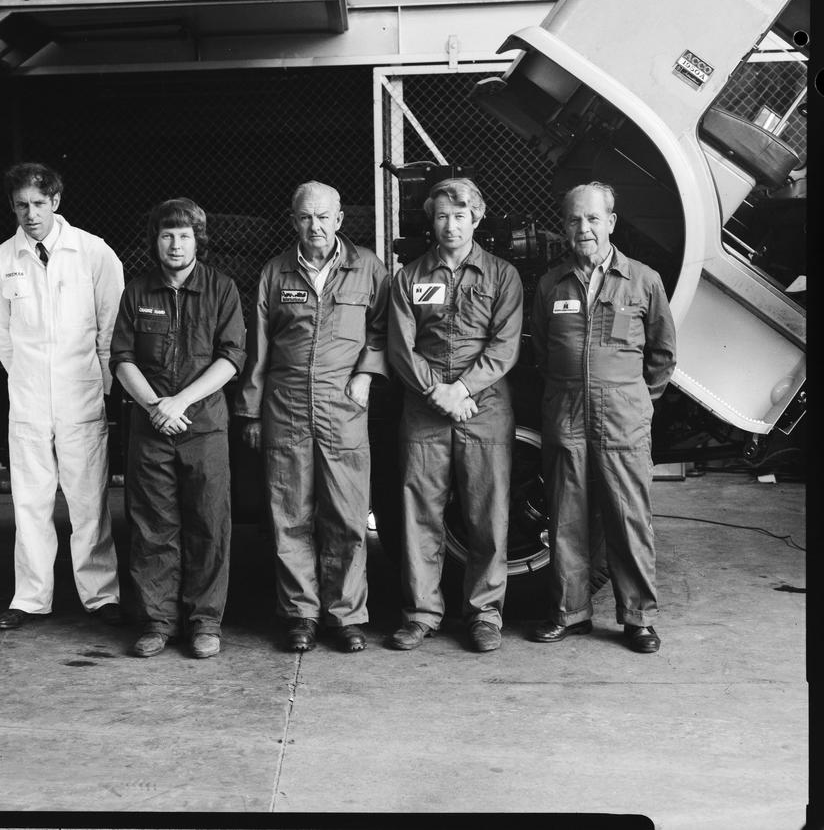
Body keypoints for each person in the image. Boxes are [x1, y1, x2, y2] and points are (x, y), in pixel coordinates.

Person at [235, 181, 389, 653]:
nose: (315, 226)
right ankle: (300, 614)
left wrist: (366, 374)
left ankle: (346, 616)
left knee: (347, 514)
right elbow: (259, 346)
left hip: (342, 404)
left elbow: (384, 328)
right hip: (286, 405)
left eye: (323, 217)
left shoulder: (368, 268)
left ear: (339, 219)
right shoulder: (275, 272)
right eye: (305, 217)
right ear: (293, 221)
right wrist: (252, 411)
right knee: (290, 515)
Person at [529, 182, 676, 653]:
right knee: (566, 518)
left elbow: (662, 354)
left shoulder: (643, 280)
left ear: (611, 222)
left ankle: (638, 619)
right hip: (567, 414)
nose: (584, 228)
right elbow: (541, 350)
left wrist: (637, 402)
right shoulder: (551, 284)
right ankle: (570, 613)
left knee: (629, 517)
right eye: (574, 219)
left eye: (593, 218)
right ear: (564, 226)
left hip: (622, 419)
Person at [0, 162, 126, 628]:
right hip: (28, 398)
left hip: (81, 394)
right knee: (30, 502)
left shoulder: (92, 252)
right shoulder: (1, 260)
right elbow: (1, 333)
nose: (31, 214)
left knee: (88, 501)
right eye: (21, 205)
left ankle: (100, 596)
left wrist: (100, 384)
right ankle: (30, 598)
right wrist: (29, 377)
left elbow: (111, 326)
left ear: (56, 201)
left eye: (39, 203)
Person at [386, 178, 523, 653]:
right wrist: (436, 391)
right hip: (425, 407)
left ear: (476, 218)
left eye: (460, 215)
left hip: (483, 406)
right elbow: (400, 346)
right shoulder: (408, 277)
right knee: (419, 513)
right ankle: (421, 613)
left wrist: (461, 389)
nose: (451, 225)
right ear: (432, 219)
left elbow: (505, 345)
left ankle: (484, 614)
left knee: (487, 513)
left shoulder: (502, 276)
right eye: (442, 215)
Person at [110, 199, 246, 659]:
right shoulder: (137, 292)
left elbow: (232, 357)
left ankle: (205, 622)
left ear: (197, 241)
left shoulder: (221, 289)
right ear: (156, 240)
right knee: (152, 525)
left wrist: (181, 402)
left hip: (203, 426)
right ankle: (158, 621)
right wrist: (154, 406)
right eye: (167, 235)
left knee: (209, 523)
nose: (175, 244)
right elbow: (121, 358)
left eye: (184, 235)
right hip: (151, 428)